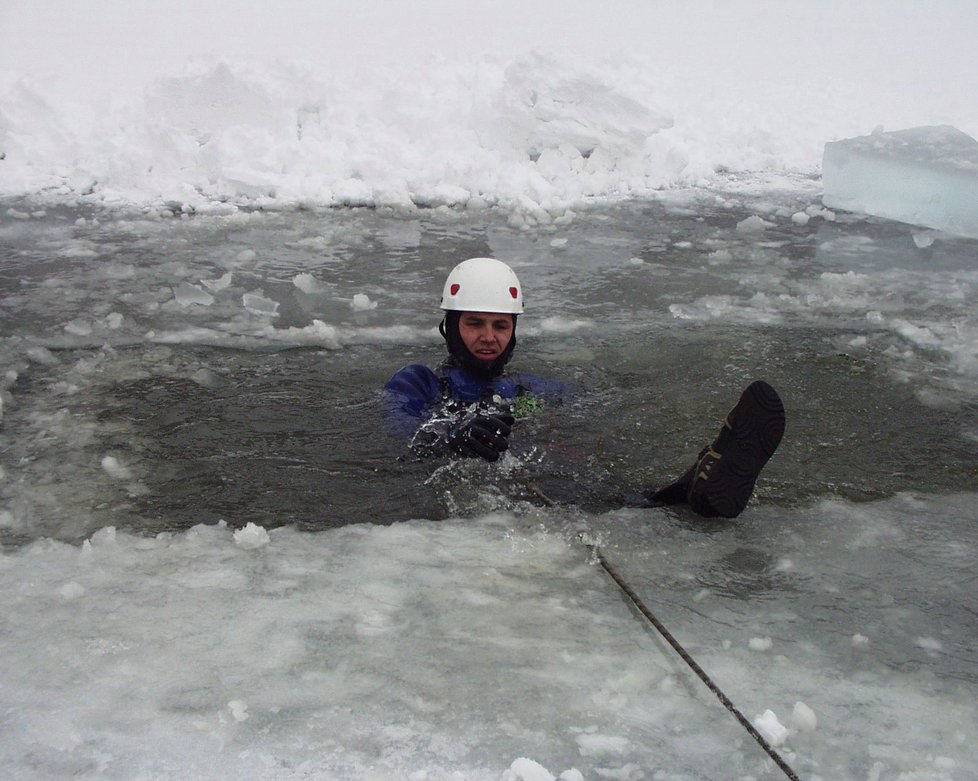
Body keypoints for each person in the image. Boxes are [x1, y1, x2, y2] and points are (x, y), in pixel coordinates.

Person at [384, 257, 785, 519]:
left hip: (539, 483)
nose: (488, 337)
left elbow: (599, 402)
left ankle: (688, 487)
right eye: (475, 323)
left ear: (514, 331)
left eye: (500, 325)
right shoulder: (419, 382)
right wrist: (450, 437)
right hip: (469, 500)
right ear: (451, 327)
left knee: (588, 483)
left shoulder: (525, 391)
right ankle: (681, 493)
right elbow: (397, 433)